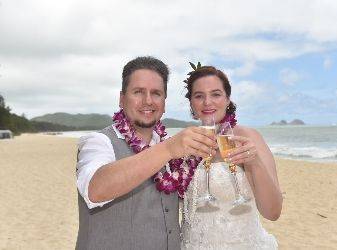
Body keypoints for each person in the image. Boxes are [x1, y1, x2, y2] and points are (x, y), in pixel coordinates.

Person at [75, 56, 216, 250]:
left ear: (164, 103)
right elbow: (95, 189)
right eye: (138, 92)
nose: (148, 101)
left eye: (156, 93)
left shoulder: (175, 155)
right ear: (121, 99)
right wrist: (168, 149)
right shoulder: (98, 142)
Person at [181, 64, 283, 249]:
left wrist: (255, 162)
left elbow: (273, 212)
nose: (207, 102)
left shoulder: (247, 137)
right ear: (191, 104)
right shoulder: (183, 145)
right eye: (199, 96)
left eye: (216, 94)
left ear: (228, 99)